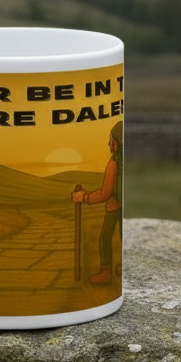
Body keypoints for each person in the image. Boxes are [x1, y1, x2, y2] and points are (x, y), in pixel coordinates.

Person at [71, 121, 122, 284]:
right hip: (120, 205)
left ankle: (106, 272)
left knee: (106, 238)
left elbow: (104, 193)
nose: (109, 144)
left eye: (111, 140)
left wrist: (84, 197)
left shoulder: (114, 164)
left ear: (117, 142)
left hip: (115, 207)